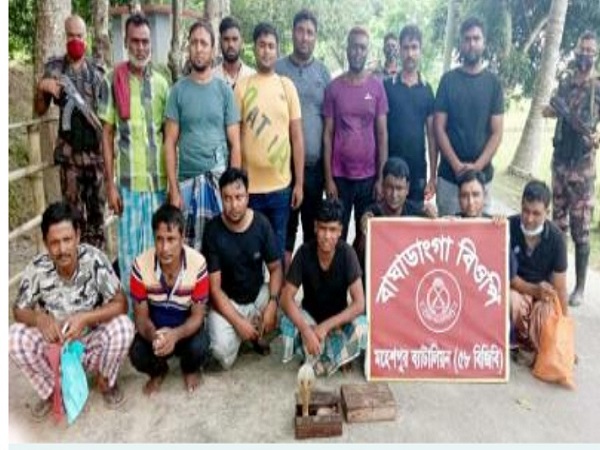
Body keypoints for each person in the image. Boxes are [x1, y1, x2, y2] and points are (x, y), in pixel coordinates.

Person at [9, 202, 134, 420]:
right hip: (55, 348)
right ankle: (53, 390)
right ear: (46, 243)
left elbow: (121, 303)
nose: (62, 249)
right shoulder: (37, 267)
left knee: (124, 327)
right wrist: (38, 318)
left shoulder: (94, 260)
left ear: (77, 236)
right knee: (13, 337)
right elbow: (18, 310)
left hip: (90, 345)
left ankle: (105, 381)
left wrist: (86, 318)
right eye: (54, 243)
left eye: (67, 239)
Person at [99, 14, 170, 310]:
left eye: (145, 41)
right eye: (135, 41)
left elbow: (169, 137)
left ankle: (158, 318)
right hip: (128, 188)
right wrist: (110, 185)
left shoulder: (163, 84)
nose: (141, 48)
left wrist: (172, 187)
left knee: (161, 254)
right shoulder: (112, 80)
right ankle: (132, 323)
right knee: (130, 258)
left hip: (159, 187)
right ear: (126, 43)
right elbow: (107, 134)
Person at [165, 20, 241, 251]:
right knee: (189, 253)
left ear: (213, 49)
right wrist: (174, 190)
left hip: (219, 184)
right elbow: (169, 143)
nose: (199, 48)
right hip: (187, 185)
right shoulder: (177, 91)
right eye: (194, 43)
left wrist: (233, 189)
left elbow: (235, 144)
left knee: (221, 250)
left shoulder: (224, 91)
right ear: (188, 47)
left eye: (204, 43)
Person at [34, 15, 106, 249]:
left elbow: (107, 117)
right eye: (71, 35)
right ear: (65, 37)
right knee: (72, 219)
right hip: (70, 158)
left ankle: (96, 261)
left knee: (97, 218)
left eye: (80, 36)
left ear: (86, 37)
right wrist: (42, 87)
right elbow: (40, 110)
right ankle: (74, 262)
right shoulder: (55, 68)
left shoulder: (97, 71)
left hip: (95, 157)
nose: (75, 40)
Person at [234, 22, 305, 260]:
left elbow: (297, 137)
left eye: (271, 46)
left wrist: (299, 184)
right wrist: (237, 184)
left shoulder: (287, 87)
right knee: (250, 254)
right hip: (250, 190)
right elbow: (235, 138)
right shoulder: (242, 87)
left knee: (277, 254)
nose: (266, 51)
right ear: (254, 48)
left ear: (277, 50)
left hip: (281, 189)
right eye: (262, 45)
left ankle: (278, 287)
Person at [202, 168, 283, 369]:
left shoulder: (261, 224)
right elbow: (214, 289)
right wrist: (239, 323)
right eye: (227, 198)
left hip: (256, 298)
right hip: (227, 304)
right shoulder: (212, 230)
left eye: (239, 197)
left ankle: (250, 333)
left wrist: (272, 303)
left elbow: (276, 269)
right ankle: (245, 334)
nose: (234, 205)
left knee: (280, 309)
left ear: (247, 196)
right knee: (221, 354)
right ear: (221, 198)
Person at [543, 30, 600, 307]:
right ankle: (558, 280)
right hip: (561, 163)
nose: (585, 54)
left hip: (583, 168)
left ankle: (579, 287)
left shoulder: (597, 86)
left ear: (596, 54)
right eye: (582, 49)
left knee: (581, 229)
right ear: (576, 50)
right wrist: (551, 110)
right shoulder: (566, 82)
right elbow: (553, 107)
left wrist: (597, 135)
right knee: (558, 225)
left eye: (590, 50)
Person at [280, 197, 367, 377]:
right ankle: (331, 357)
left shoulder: (347, 254)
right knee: (287, 322)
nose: (327, 236)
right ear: (315, 227)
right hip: (310, 320)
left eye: (333, 230)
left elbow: (359, 304)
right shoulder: (304, 252)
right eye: (323, 228)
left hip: (337, 324)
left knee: (363, 326)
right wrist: (306, 330)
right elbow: (286, 299)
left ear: (340, 230)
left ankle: (318, 357)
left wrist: (326, 327)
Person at [129, 204, 210, 395]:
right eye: (159, 239)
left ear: (182, 238)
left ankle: (189, 369)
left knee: (200, 346)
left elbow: (197, 317)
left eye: (171, 239)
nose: (164, 248)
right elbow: (141, 319)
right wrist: (155, 337)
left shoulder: (198, 263)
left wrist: (175, 335)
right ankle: (159, 371)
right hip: (155, 331)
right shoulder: (140, 265)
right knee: (137, 353)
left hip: (184, 331)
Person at [275, 9, 331, 268]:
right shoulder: (278, 69)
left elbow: (329, 123)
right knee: (285, 232)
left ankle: (309, 285)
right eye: (301, 31)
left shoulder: (323, 73)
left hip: (314, 169)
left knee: (312, 231)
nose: (305, 37)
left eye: (310, 32)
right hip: (282, 167)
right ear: (293, 33)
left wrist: (328, 173)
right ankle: (284, 285)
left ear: (315, 37)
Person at [434, 16, 504, 216]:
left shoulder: (493, 83)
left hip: (482, 180)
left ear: (484, 42)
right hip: (450, 178)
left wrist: (476, 168)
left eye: (476, 38)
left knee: (479, 233)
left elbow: (497, 133)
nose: (471, 44)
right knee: (447, 232)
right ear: (461, 44)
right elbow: (439, 128)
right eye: (467, 39)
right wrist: (457, 166)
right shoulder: (448, 81)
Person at [324, 26, 389, 241]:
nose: (357, 52)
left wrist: (381, 178)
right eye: (354, 47)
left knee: (365, 237)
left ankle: (358, 265)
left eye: (362, 48)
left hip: (368, 178)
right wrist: (328, 179)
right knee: (337, 235)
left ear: (367, 51)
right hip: (340, 177)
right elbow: (328, 135)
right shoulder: (333, 88)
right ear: (347, 49)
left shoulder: (376, 88)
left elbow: (382, 135)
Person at [509, 180, 568, 360]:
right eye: (525, 211)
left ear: (547, 213)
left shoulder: (557, 239)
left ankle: (536, 344)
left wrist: (565, 335)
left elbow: (560, 288)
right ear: (521, 206)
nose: (529, 219)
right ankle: (516, 342)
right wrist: (533, 290)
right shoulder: (508, 227)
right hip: (516, 290)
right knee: (510, 301)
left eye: (536, 213)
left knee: (547, 314)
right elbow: (506, 277)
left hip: (543, 296)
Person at [354, 157, 436, 276]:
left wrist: (434, 220)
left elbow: (433, 248)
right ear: (383, 186)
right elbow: (359, 258)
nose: (394, 194)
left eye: (399, 188)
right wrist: (364, 233)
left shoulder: (417, 213)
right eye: (389, 187)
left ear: (407, 189)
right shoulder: (372, 214)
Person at [385, 25, 437, 209]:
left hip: (417, 171)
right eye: (406, 48)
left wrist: (433, 176)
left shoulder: (427, 90)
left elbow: (432, 136)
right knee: (387, 219)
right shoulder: (387, 87)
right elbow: (380, 131)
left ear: (420, 50)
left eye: (414, 47)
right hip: (390, 170)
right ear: (399, 50)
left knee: (414, 218)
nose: (410, 53)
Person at [213, 16, 256, 89]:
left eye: (235, 39)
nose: (231, 44)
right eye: (226, 39)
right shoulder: (211, 78)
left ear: (241, 42)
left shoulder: (252, 77)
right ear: (220, 42)